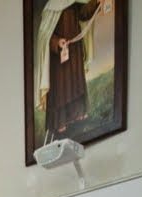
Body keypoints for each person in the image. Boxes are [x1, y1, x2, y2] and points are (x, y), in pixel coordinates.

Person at [35, 0, 101, 137]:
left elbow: (83, 14)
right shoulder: (50, 7)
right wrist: (56, 42)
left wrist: (95, 3)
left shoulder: (74, 1)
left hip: (74, 49)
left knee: (76, 83)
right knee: (61, 89)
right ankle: (60, 122)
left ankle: (78, 113)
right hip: (58, 57)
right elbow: (44, 35)